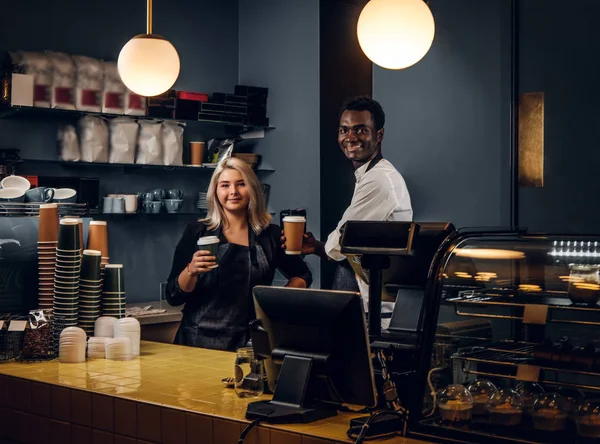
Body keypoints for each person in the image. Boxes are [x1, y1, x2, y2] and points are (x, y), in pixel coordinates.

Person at [283, 96, 412, 322]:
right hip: (368, 305)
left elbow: (339, 244)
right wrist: (316, 247)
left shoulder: (380, 180)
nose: (350, 137)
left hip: (378, 313)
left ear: (379, 135)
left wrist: (325, 246)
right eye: (344, 130)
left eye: (360, 130)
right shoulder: (368, 175)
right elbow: (341, 245)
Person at [165, 157, 312, 351]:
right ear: (215, 192)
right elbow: (173, 296)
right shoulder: (197, 232)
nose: (233, 192)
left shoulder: (271, 235)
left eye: (241, 184)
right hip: (197, 343)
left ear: (252, 189)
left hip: (249, 344)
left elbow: (302, 275)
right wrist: (191, 270)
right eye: (225, 185)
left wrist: (277, 301)